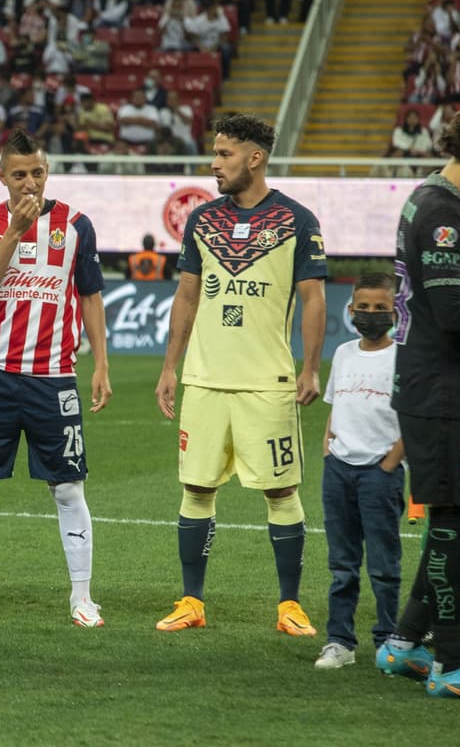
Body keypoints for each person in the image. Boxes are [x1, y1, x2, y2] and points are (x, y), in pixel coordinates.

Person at [154, 114, 327, 636]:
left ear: (255, 157)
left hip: (267, 383)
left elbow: (313, 299)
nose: (215, 163)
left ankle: (290, 605)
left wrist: (310, 366)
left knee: (281, 492)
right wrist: (170, 366)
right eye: (215, 153)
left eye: (225, 154)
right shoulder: (202, 220)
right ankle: (191, 601)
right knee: (196, 487)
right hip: (205, 380)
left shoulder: (297, 221)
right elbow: (186, 296)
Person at [0, 129, 112, 626]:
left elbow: (90, 296)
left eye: (36, 172)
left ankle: (82, 598)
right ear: (2, 177)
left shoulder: (76, 225)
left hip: (53, 379)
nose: (29, 183)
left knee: (69, 489)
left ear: (47, 171)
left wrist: (101, 363)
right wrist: (14, 232)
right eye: (19, 175)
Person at [375, 102, 460, 697]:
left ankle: (404, 644)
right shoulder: (444, 213)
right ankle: (449, 668)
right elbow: (451, 311)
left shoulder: (441, 201)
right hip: (441, 389)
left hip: (450, 385)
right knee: (448, 522)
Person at [314, 271, 404, 670]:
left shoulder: (404, 357)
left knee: (384, 567)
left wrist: (390, 463)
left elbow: (413, 416)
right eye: (363, 307)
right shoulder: (344, 353)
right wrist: (328, 449)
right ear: (350, 310)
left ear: (395, 312)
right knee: (342, 565)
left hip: (379, 473)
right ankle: (340, 642)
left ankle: (389, 642)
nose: (370, 313)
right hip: (339, 470)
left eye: (380, 307)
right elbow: (336, 404)